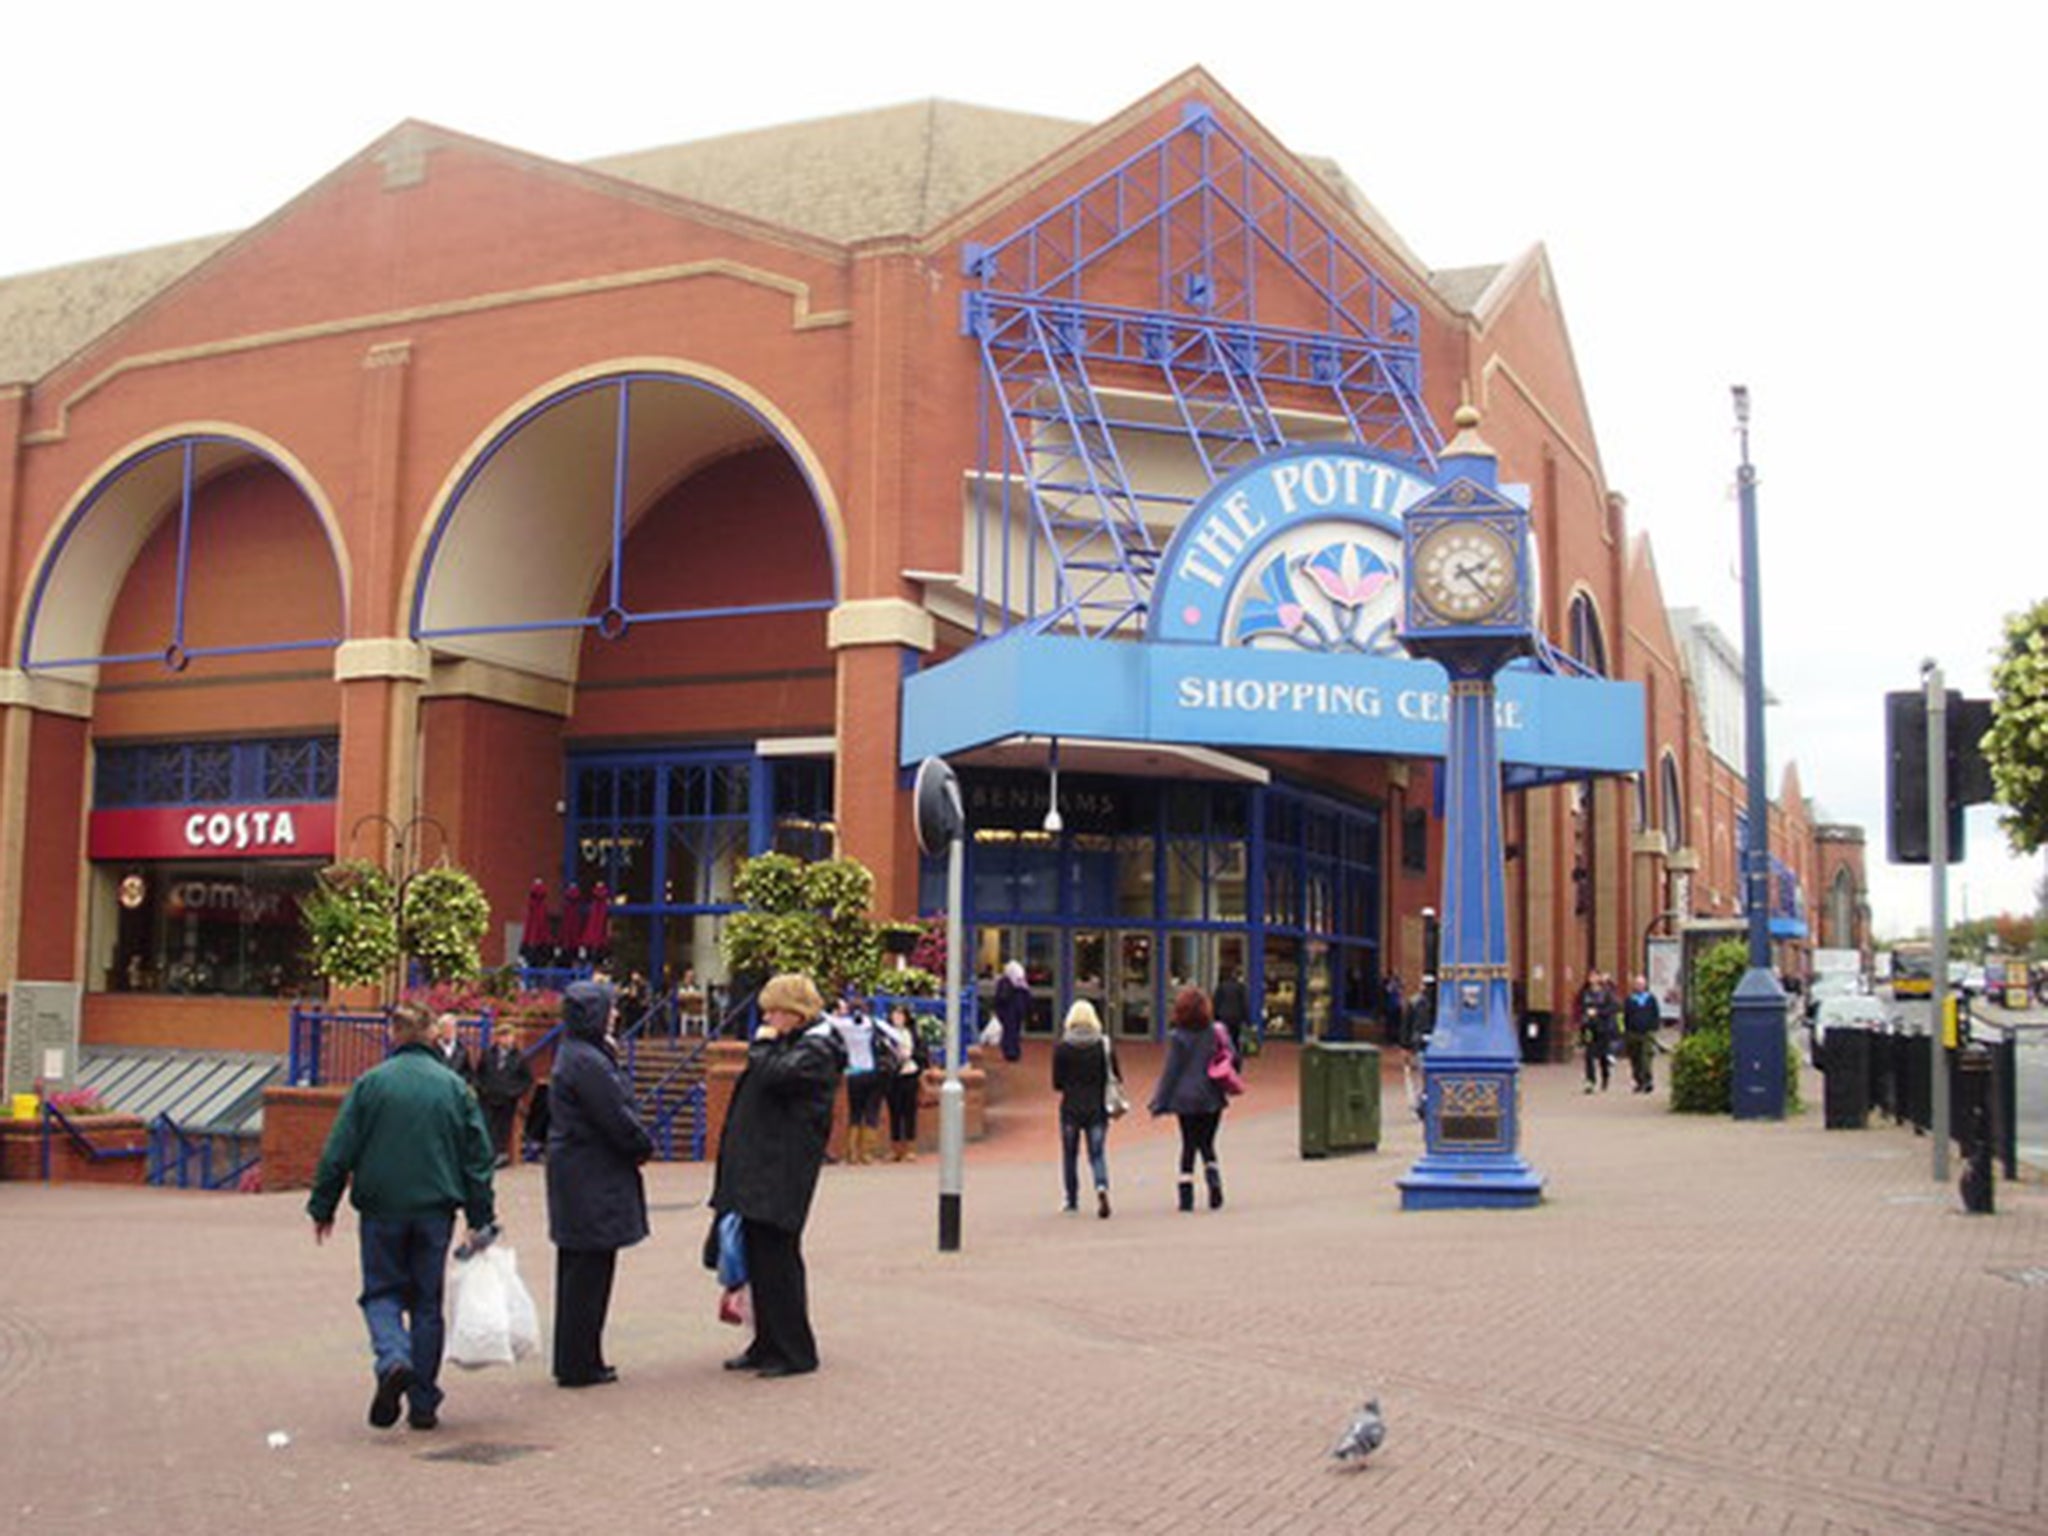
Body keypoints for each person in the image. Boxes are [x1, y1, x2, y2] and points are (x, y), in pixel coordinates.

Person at [306, 1002, 496, 1432]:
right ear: (432, 1034)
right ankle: (423, 1401)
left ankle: (392, 1357)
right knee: (427, 1303)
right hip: (435, 1211)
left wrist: (324, 1205)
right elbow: (477, 1157)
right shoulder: (454, 1088)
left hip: (381, 1208)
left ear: (394, 1034)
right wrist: (480, 1216)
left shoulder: (370, 1085)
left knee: (381, 1293)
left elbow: (339, 1150)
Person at [710, 972, 847, 1377]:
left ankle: (793, 1350)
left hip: (781, 1168)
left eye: (774, 1010)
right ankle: (766, 1342)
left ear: (796, 1012)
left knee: (778, 1259)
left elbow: (776, 1077)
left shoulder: (817, 1050)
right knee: (760, 1258)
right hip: (761, 1166)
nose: (767, 1018)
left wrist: (764, 1044)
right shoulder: (795, 1044)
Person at [545, 978, 653, 1388]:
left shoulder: (578, 1054)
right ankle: (580, 1361)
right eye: (609, 1008)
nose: (615, 1014)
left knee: (581, 1269)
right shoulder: (587, 1061)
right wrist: (640, 1144)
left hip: (580, 1172)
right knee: (589, 1271)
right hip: (592, 1175)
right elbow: (613, 1115)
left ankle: (579, 1356)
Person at [1147, 985, 1231, 1212]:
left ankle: (1186, 1195)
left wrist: (1159, 1102)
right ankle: (1214, 1183)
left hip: (1185, 1098)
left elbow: (1171, 1072)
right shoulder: (1216, 1032)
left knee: (1188, 1143)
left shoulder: (1178, 1038)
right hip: (1212, 1095)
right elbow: (1232, 1058)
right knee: (1207, 1142)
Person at [1051, 999, 1119, 1218]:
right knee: (1097, 1153)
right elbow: (1116, 1076)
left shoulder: (1062, 1048)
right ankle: (1101, 1186)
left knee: (1070, 1155)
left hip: (1071, 1108)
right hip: (1097, 1107)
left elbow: (1057, 1083)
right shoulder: (1103, 1046)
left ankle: (1071, 1199)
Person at [830, 993, 888, 1165]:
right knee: (871, 1110)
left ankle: (852, 1153)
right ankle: (866, 1153)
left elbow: (827, 1020)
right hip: (872, 1071)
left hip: (853, 1072)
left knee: (855, 1111)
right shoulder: (873, 1024)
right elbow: (895, 1037)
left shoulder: (844, 1026)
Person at [474, 1025, 535, 1167]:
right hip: (488, 1097)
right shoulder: (488, 1054)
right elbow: (479, 1073)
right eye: (502, 1036)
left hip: (507, 1099)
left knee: (503, 1126)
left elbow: (527, 1080)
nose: (505, 1039)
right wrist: (482, 1089)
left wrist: (514, 1092)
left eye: (508, 1036)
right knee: (487, 1125)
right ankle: (487, 1154)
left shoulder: (519, 1057)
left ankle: (501, 1154)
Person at [876, 1002, 927, 1162]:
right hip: (893, 1075)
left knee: (909, 1111)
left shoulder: (912, 1033)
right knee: (895, 1112)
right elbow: (881, 1053)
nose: (898, 1018)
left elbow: (922, 1052)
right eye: (895, 1015)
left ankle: (910, 1148)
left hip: (909, 1073)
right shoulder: (886, 1035)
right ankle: (895, 1148)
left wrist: (913, 1059)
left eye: (901, 1015)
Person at [1579, 971, 1618, 1093]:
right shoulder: (1585, 993)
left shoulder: (1606, 993)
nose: (1592, 979)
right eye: (1590, 976)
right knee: (1588, 1055)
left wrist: (1598, 1012)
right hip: (1589, 1028)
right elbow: (1580, 1007)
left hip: (1603, 1028)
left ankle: (1605, 1077)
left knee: (1602, 1056)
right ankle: (1590, 1081)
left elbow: (1612, 1008)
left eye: (1595, 976)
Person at [1623, 973, 1661, 1094]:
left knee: (1646, 1058)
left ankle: (1648, 1081)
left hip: (1647, 1033)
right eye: (1637, 984)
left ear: (1645, 985)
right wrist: (1626, 1031)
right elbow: (1626, 1016)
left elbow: (1656, 1014)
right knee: (1635, 1059)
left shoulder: (1651, 999)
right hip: (1633, 1033)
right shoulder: (1629, 1000)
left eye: (1642, 984)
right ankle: (1638, 1081)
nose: (1639, 986)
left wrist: (1654, 1028)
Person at [993, 960, 1029, 1063]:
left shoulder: (1005, 982)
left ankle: (1010, 1051)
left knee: (1010, 1031)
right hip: (1014, 1011)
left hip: (1009, 1011)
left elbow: (1000, 997)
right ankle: (1013, 1051)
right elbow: (1026, 998)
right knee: (1014, 1031)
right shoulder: (1022, 985)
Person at [1212, 966, 1252, 1058]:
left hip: (1223, 1017)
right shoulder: (1241, 987)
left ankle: (1224, 1056)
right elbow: (1244, 1004)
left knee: (1223, 1038)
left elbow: (1216, 1002)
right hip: (1235, 1018)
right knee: (1235, 1039)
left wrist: (1215, 1017)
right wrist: (1248, 1020)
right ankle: (1234, 1059)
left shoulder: (1221, 986)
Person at [431, 1013, 474, 1083]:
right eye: (445, 1027)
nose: (448, 1031)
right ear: (439, 1030)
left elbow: (468, 1073)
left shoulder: (463, 1049)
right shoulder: (432, 1048)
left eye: (451, 1027)